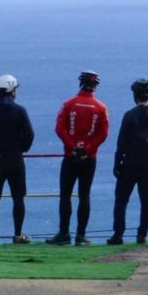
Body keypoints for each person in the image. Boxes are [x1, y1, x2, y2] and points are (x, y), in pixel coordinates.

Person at [47, 70, 109, 246]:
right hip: (89, 158)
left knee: (65, 195)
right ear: (95, 86)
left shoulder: (68, 104)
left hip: (70, 156)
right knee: (84, 196)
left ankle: (64, 233)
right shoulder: (101, 108)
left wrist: (72, 147)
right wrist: (88, 148)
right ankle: (81, 236)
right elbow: (103, 133)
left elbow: (60, 128)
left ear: (80, 84)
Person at [0, 73, 35, 244]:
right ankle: (17, 234)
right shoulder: (19, 110)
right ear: (11, 90)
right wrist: (21, 148)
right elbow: (30, 134)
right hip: (15, 159)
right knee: (18, 197)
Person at [107, 77, 148, 245]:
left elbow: (122, 142)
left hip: (131, 163)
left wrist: (117, 163)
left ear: (135, 95)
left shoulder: (130, 115)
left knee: (121, 199)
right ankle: (142, 235)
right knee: (146, 200)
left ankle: (118, 234)